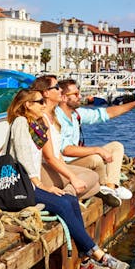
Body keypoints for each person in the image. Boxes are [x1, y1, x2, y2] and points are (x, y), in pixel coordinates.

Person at [4, 89, 129, 269]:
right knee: (63, 203)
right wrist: (42, 185)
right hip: (19, 186)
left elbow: (44, 154)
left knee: (69, 200)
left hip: (29, 184)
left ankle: (85, 261)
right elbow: (23, 159)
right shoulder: (21, 122)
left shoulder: (34, 125)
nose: (43, 105)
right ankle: (100, 256)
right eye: (39, 102)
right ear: (27, 105)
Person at [56, 79, 135, 202]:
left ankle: (110, 187)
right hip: (65, 165)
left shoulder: (75, 114)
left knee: (116, 146)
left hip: (77, 160)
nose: (80, 97)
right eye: (75, 94)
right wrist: (97, 150)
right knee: (96, 158)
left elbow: (105, 113)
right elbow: (65, 150)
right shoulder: (56, 118)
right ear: (63, 97)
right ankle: (104, 187)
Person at [29, 75, 110, 205]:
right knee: (92, 177)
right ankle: (64, 199)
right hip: (44, 170)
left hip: (55, 166)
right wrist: (72, 176)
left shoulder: (53, 116)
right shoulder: (42, 118)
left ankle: (68, 196)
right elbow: (49, 157)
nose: (60, 90)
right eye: (56, 88)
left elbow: (57, 153)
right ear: (46, 93)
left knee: (95, 186)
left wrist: (68, 171)